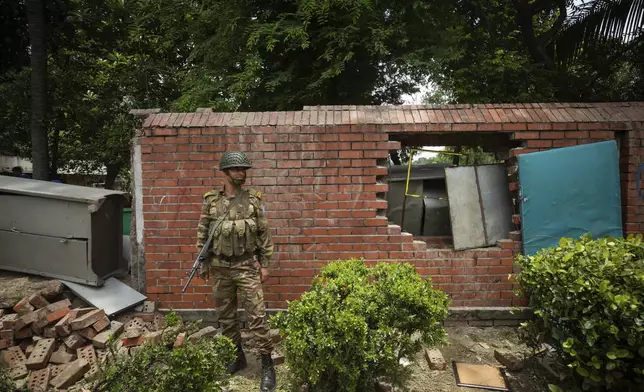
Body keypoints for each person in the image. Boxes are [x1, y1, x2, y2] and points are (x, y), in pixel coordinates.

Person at [196, 150, 276, 392]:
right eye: (237, 169)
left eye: (244, 169)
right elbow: (203, 233)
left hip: (246, 266)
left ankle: (267, 365)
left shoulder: (253, 200)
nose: (242, 173)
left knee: (257, 318)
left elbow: (264, 233)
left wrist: (265, 264)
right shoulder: (211, 201)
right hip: (219, 267)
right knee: (226, 318)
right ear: (225, 172)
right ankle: (237, 356)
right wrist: (203, 262)